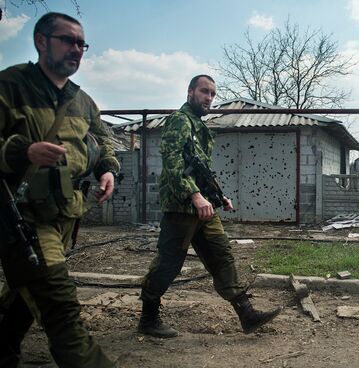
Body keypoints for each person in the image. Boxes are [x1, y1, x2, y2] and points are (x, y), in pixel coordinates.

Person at [0, 12, 120, 368]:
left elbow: (102, 138)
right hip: (22, 216)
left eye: (82, 43)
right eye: (68, 40)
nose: (77, 49)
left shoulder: (81, 100)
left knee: (26, 296)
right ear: (41, 41)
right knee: (60, 304)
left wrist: (107, 169)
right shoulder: (10, 86)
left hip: (66, 215)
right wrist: (23, 151)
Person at [138, 75, 282, 338]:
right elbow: (173, 165)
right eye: (204, 92)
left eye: (213, 94)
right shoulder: (180, 121)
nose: (209, 98)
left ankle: (247, 314)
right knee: (169, 263)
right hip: (182, 208)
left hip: (204, 207)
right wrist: (195, 196)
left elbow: (202, 170)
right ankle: (148, 318)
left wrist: (218, 196)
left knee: (221, 254)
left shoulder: (198, 126)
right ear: (190, 91)